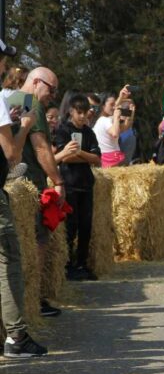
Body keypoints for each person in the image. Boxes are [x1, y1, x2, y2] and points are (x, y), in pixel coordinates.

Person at [0, 40, 48, 357]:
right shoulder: (6, 100)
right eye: (5, 62)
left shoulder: (10, 97)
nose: (6, 68)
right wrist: (26, 125)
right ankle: (16, 335)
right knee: (9, 260)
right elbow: (12, 155)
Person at [19, 67, 66, 317]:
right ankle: (33, 301)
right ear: (36, 82)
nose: (53, 96)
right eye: (51, 89)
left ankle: (27, 301)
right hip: (30, 184)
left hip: (18, 184)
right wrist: (58, 180)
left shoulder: (16, 99)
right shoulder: (33, 105)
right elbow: (40, 147)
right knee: (38, 241)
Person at [54, 94, 101, 280]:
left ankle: (82, 263)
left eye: (85, 113)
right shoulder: (63, 130)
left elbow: (97, 159)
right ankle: (67, 265)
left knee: (85, 226)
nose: (82, 117)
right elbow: (65, 157)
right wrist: (85, 156)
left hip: (86, 184)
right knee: (70, 226)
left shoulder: (89, 133)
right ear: (71, 111)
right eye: (79, 113)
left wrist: (80, 152)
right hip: (70, 183)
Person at [92, 87, 134, 168]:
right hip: (110, 159)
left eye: (115, 104)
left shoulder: (103, 120)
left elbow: (124, 128)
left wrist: (130, 114)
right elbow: (115, 133)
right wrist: (116, 117)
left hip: (108, 158)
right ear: (103, 106)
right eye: (112, 105)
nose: (114, 107)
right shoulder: (105, 120)